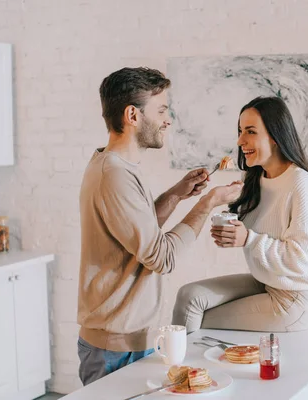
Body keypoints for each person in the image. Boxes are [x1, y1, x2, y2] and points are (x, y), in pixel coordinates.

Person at [77, 67, 243, 385]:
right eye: (162, 110)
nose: (167, 120)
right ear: (132, 115)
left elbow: (137, 233)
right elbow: (161, 256)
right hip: (114, 350)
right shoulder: (115, 175)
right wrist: (207, 203)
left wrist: (176, 194)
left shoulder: (115, 166)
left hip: (123, 343)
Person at [172, 96, 308, 334]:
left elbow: (302, 260)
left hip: (293, 298)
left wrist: (248, 238)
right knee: (189, 296)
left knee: (194, 314)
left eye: (250, 131)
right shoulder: (257, 178)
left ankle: (187, 372)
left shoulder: (300, 183)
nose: (240, 140)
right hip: (266, 281)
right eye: (239, 130)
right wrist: (230, 216)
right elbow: (257, 228)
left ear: (275, 137)